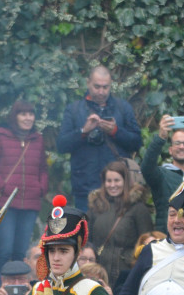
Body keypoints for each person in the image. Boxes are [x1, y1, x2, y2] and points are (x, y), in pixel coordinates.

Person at [57, 66, 142, 211]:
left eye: (105, 87)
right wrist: (84, 131)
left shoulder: (123, 107)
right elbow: (62, 146)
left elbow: (136, 143)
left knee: (117, 233)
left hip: (118, 187)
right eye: (97, 87)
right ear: (88, 82)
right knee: (87, 233)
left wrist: (115, 131)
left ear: (111, 85)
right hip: (85, 187)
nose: (101, 92)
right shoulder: (74, 109)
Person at [0, 99, 48, 268]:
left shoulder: (38, 139)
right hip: (6, 203)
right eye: (23, 114)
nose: (28, 118)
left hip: (31, 204)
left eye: (31, 114)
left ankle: (18, 291)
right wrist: (1, 187)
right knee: (4, 250)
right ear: (15, 116)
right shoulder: (0, 136)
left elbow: (43, 168)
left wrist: (41, 188)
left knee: (20, 252)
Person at [87, 160, 153, 289]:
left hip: (127, 274)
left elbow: (147, 243)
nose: (112, 185)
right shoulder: (96, 208)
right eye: (109, 181)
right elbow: (88, 241)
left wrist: (129, 259)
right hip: (100, 273)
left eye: (117, 180)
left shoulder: (138, 208)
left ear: (125, 181)